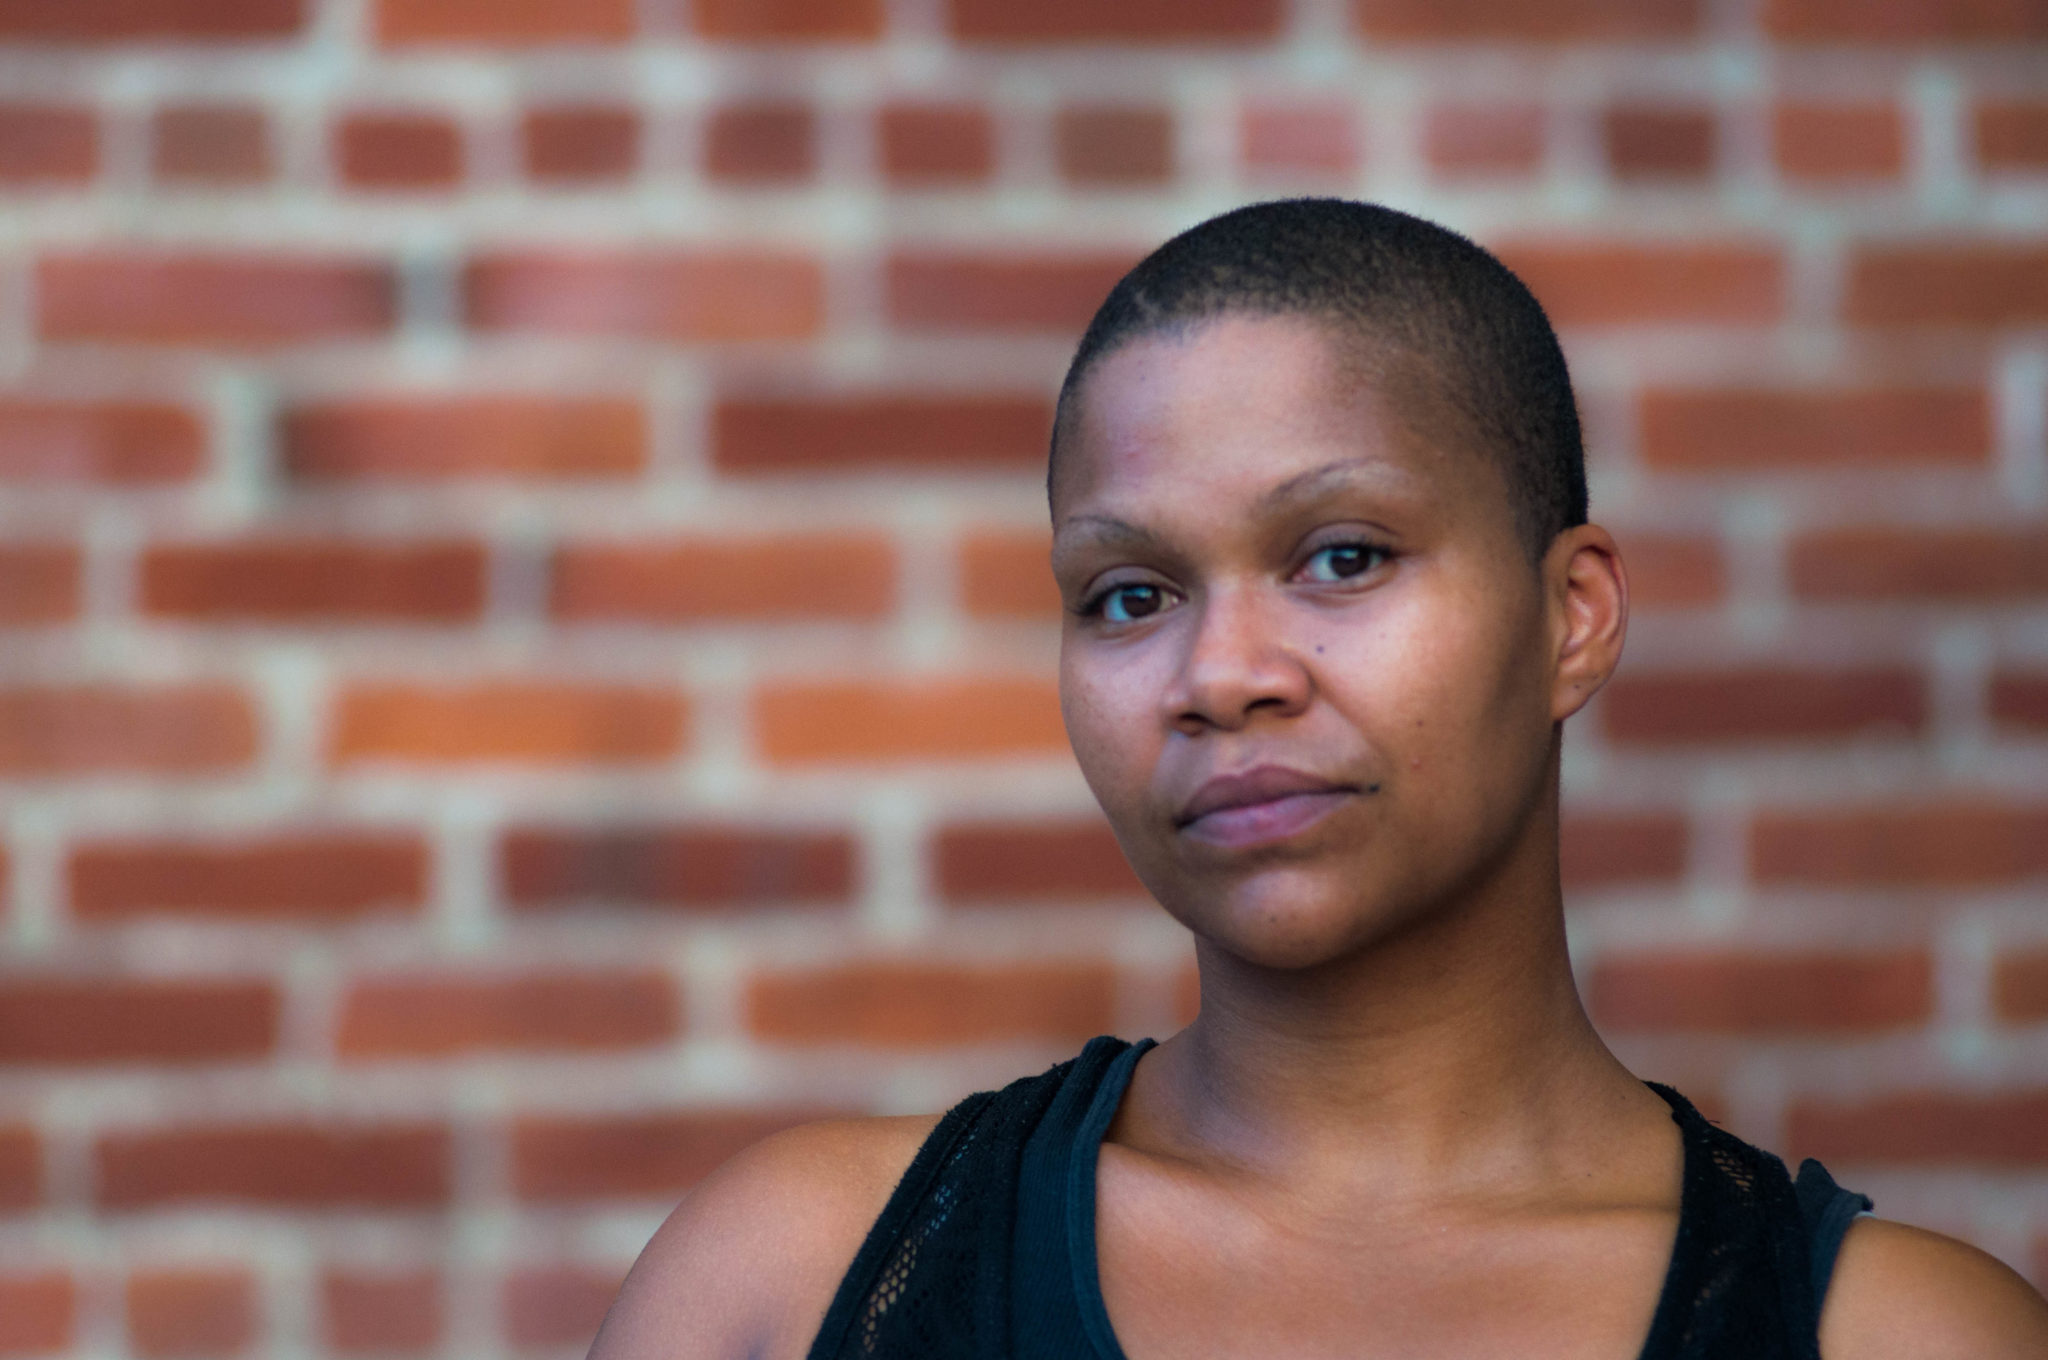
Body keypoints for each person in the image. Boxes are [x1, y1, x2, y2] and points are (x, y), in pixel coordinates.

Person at [587, 199, 2048, 1359]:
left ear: (1572, 617)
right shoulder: (798, 1283)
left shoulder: (1901, 1336)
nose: (1223, 674)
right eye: (1129, 595)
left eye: (1342, 557)